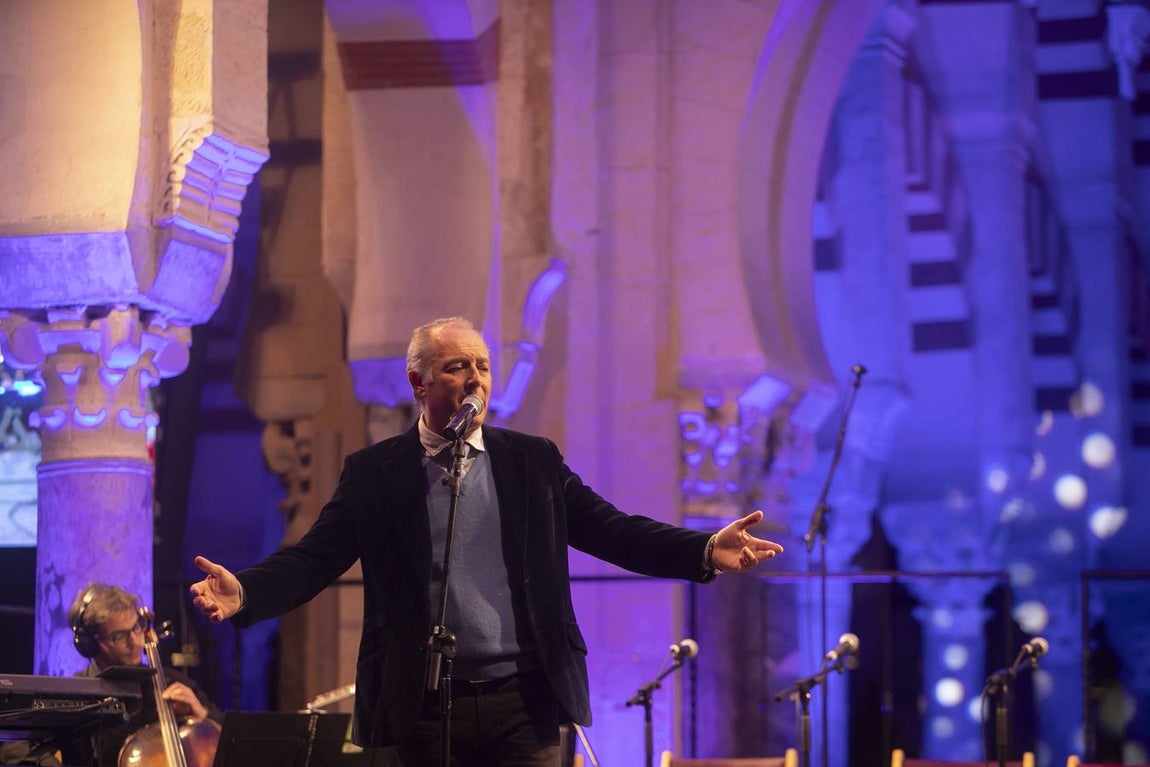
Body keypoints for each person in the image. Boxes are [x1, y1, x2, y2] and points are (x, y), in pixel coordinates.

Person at [190, 316, 784, 767]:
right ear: (418, 383)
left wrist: (703, 549)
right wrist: (246, 591)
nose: (474, 379)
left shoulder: (531, 461)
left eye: (481, 366)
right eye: (455, 368)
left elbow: (612, 529)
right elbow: (316, 556)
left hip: (522, 701)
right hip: (419, 701)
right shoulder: (376, 472)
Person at [62, 583, 222, 767]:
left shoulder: (171, 682)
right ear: (90, 644)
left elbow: (228, 735)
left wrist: (202, 715)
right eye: (119, 636)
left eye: (136, 627)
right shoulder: (76, 695)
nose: (135, 641)